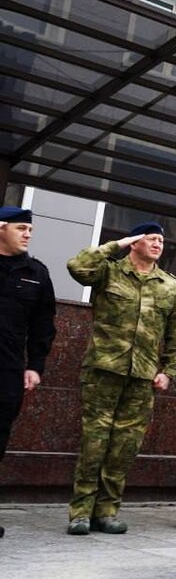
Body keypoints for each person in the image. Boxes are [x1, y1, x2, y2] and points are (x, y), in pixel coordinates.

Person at [65, 221, 176, 535]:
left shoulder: (170, 286)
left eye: (161, 240)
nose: (158, 244)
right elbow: (77, 267)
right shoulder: (109, 272)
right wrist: (115, 244)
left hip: (142, 377)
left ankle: (106, 511)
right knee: (95, 442)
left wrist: (168, 371)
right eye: (151, 239)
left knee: (124, 447)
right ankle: (80, 512)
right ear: (135, 242)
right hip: (104, 370)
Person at [0, 206, 56, 539]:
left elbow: (43, 325)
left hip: (7, 370)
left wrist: (35, 365)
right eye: (21, 228)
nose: (27, 234)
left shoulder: (35, 273)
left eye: (30, 230)